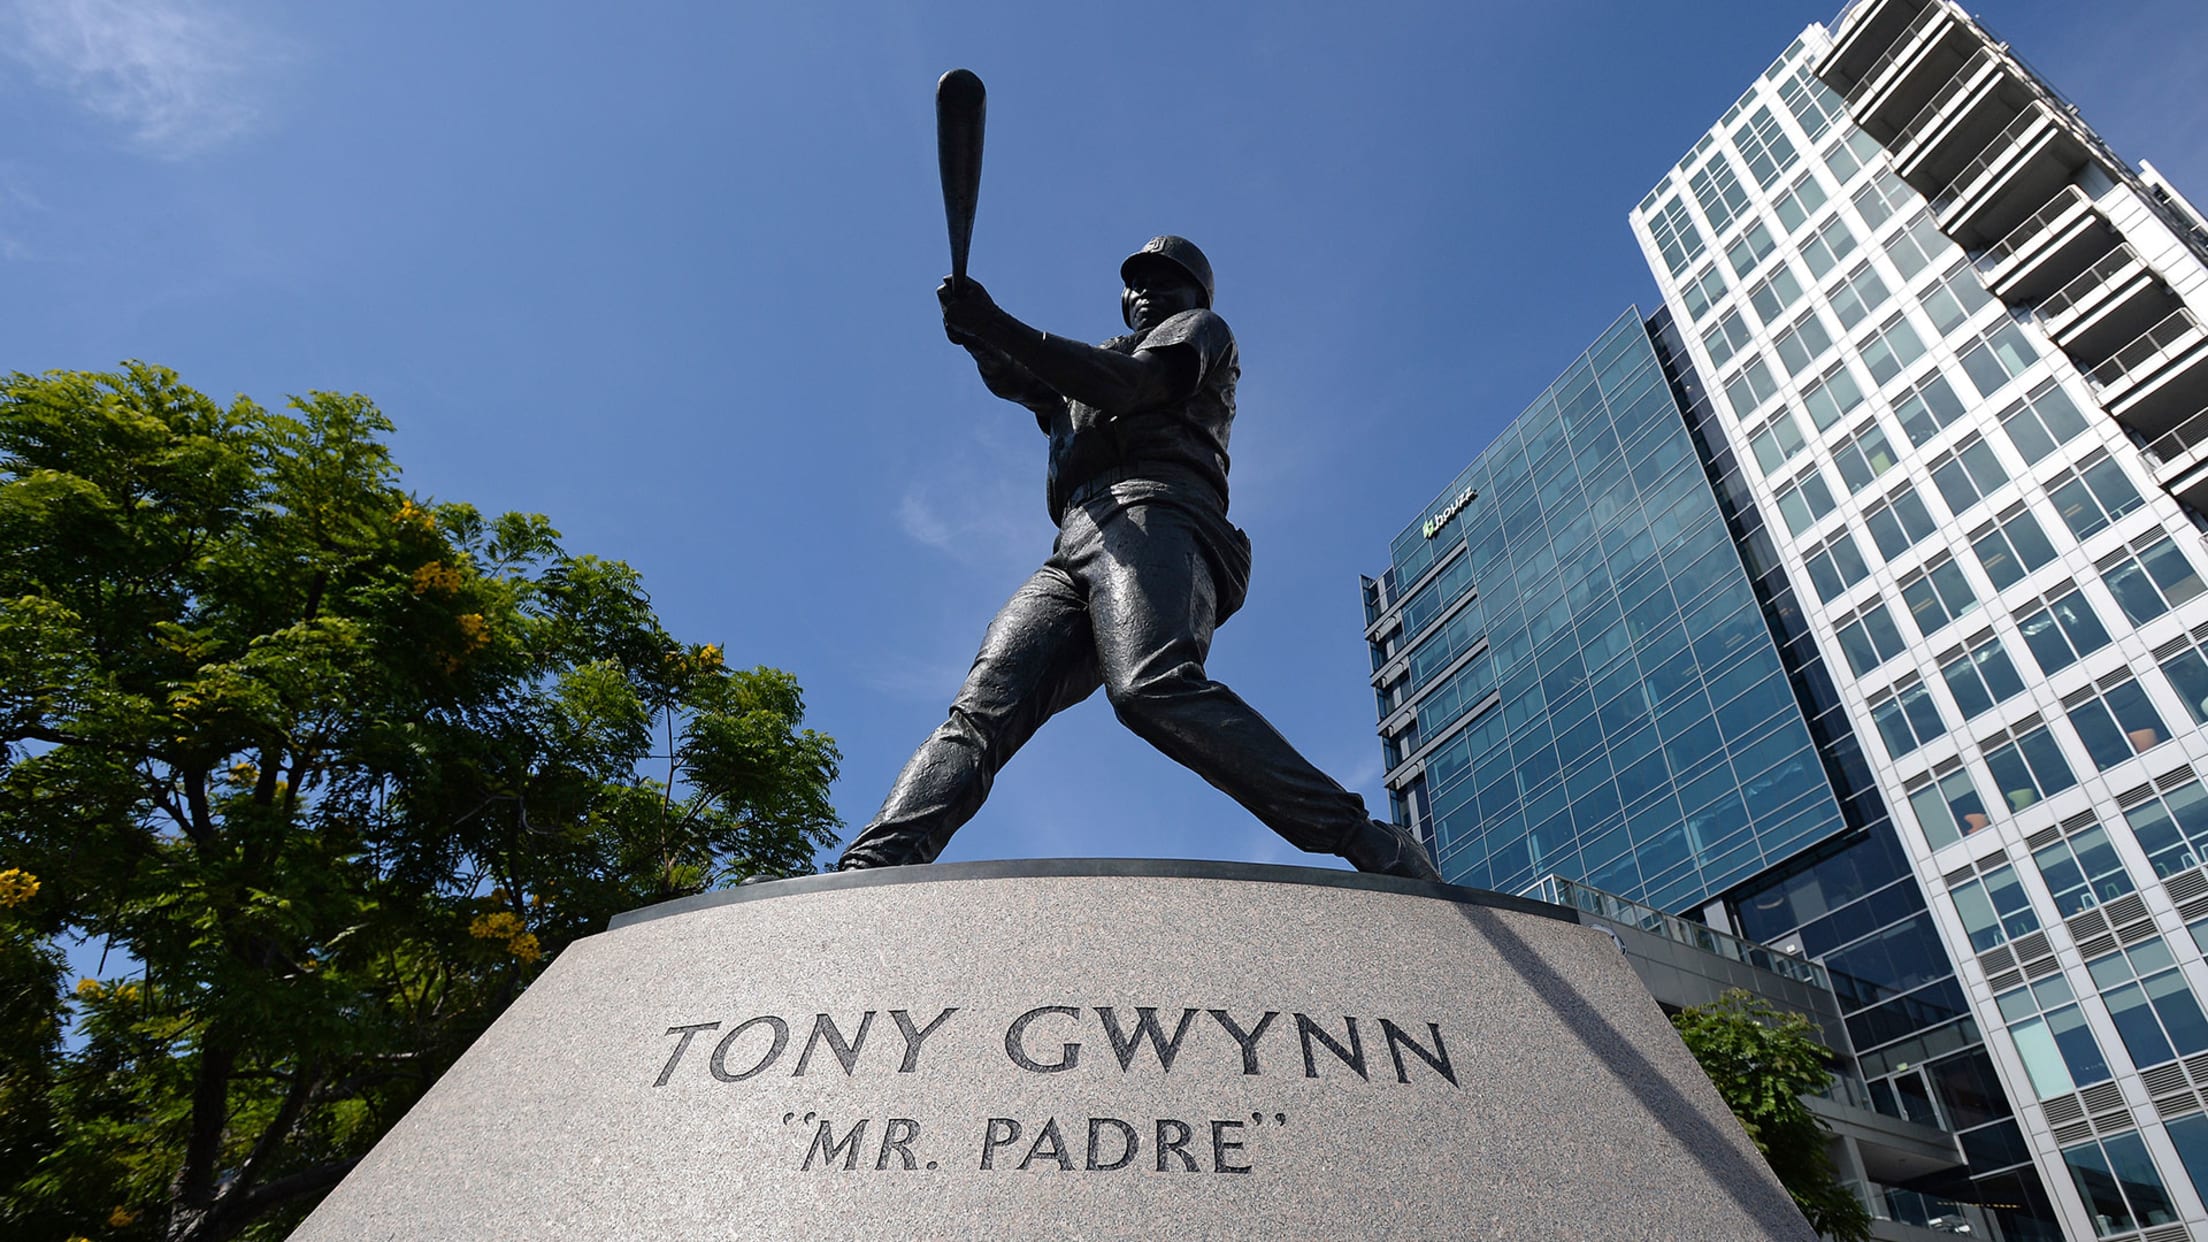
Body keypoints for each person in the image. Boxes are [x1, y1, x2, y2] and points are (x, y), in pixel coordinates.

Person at [836, 236, 1441, 882]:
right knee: (982, 708)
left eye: (1166, 281)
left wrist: (998, 325)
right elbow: (1019, 377)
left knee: (1153, 687)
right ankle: (872, 864)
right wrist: (977, 332)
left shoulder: (1200, 333)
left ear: (1195, 296)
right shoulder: (1093, 359)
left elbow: (1130, 386)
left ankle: (1365, 836)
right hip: (1075, 540)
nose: (1147, 292)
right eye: (1137, 282)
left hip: (1156, 513)